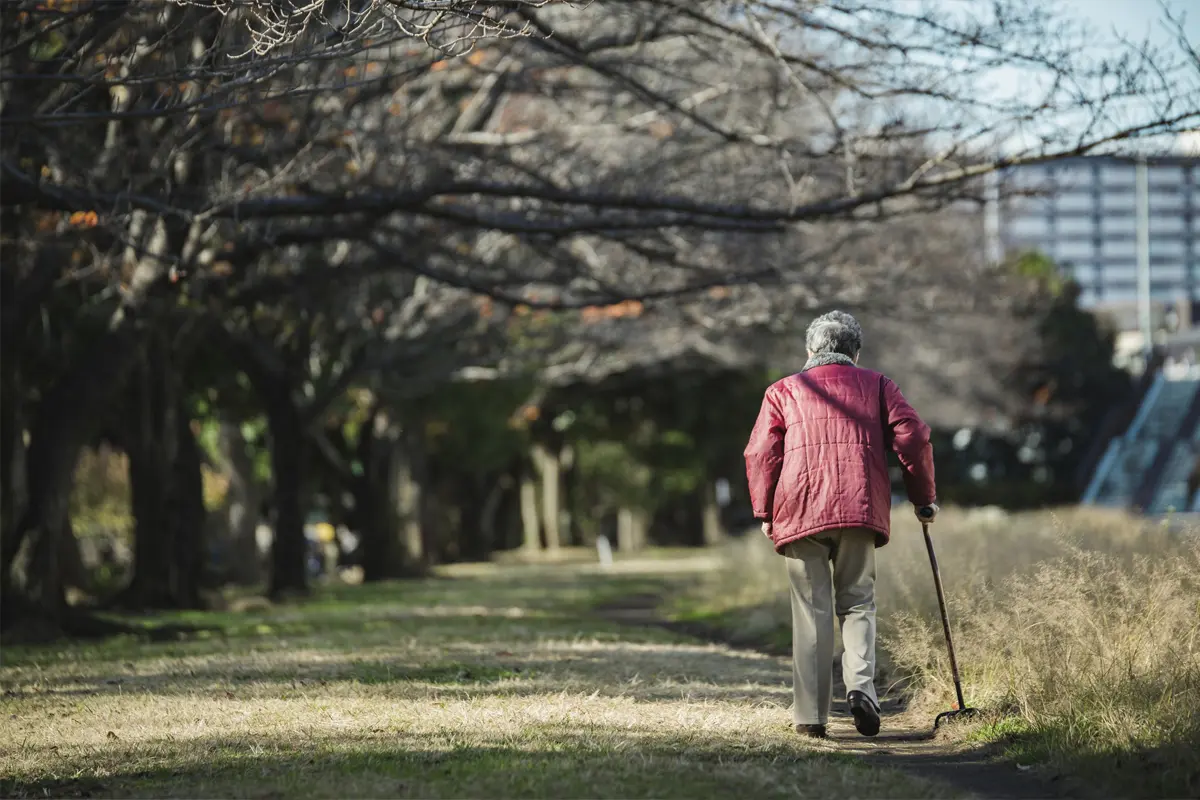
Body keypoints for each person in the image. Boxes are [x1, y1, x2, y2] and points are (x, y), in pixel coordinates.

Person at [743, 311, 937, 740]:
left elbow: (759, 453)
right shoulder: (879, 386)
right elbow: (915, 437)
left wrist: (765, 511)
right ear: (856, 352)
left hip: (799, 510)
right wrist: (923, 500)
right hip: (858, 506)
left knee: (811, 613)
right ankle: (860, 688)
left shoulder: (783, 391)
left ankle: (812, 717)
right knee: (857, 603)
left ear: (810, 351)